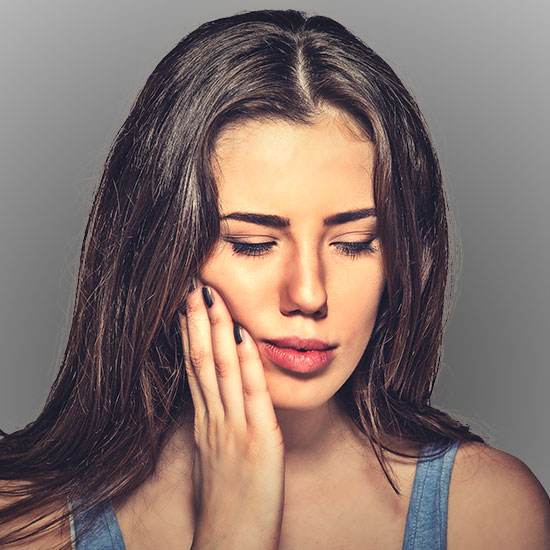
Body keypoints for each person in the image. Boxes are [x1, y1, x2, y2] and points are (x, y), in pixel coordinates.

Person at [0, 9, 548, 550]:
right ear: (158, 252)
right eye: (252, 244)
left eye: (355, 243)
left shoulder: (489, 514)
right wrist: (232, 531)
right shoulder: (27, 524)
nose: (309, 294)